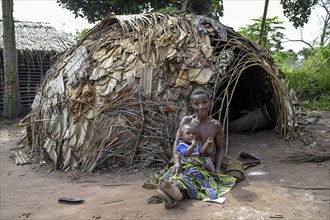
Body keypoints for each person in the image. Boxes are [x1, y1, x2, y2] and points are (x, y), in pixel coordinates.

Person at [157, 88, 236, 209]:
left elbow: (220, 149)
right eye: (196, 104)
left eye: (204, 102)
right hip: (185, 161)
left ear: (210, 103)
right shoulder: (187, 121)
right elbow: (177, 143)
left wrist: (218, 168)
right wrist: (177, 162)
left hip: (204, 164)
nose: (201, 107)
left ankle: (173, 195)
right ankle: (174, 194)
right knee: (177, 173)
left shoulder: (215, 126)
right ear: (191, 105)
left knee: (195, 177)